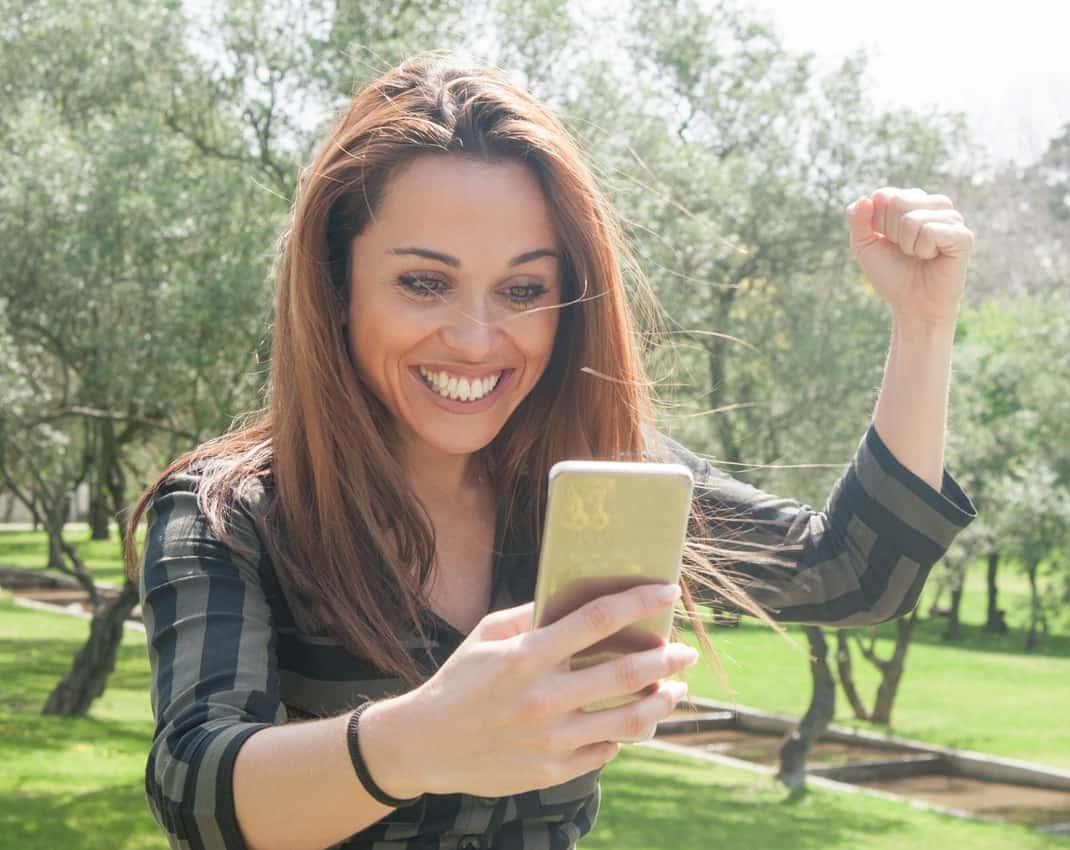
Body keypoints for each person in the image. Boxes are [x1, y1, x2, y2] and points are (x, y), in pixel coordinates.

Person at [125, 52, 978, 850]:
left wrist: (925, 322)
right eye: (424, 281)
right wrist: (418, 741)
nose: (475, 337)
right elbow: (197, 784)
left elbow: (856, 571)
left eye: (524, 289)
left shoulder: (608, 485)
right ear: (336, 285)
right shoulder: (226, 512)